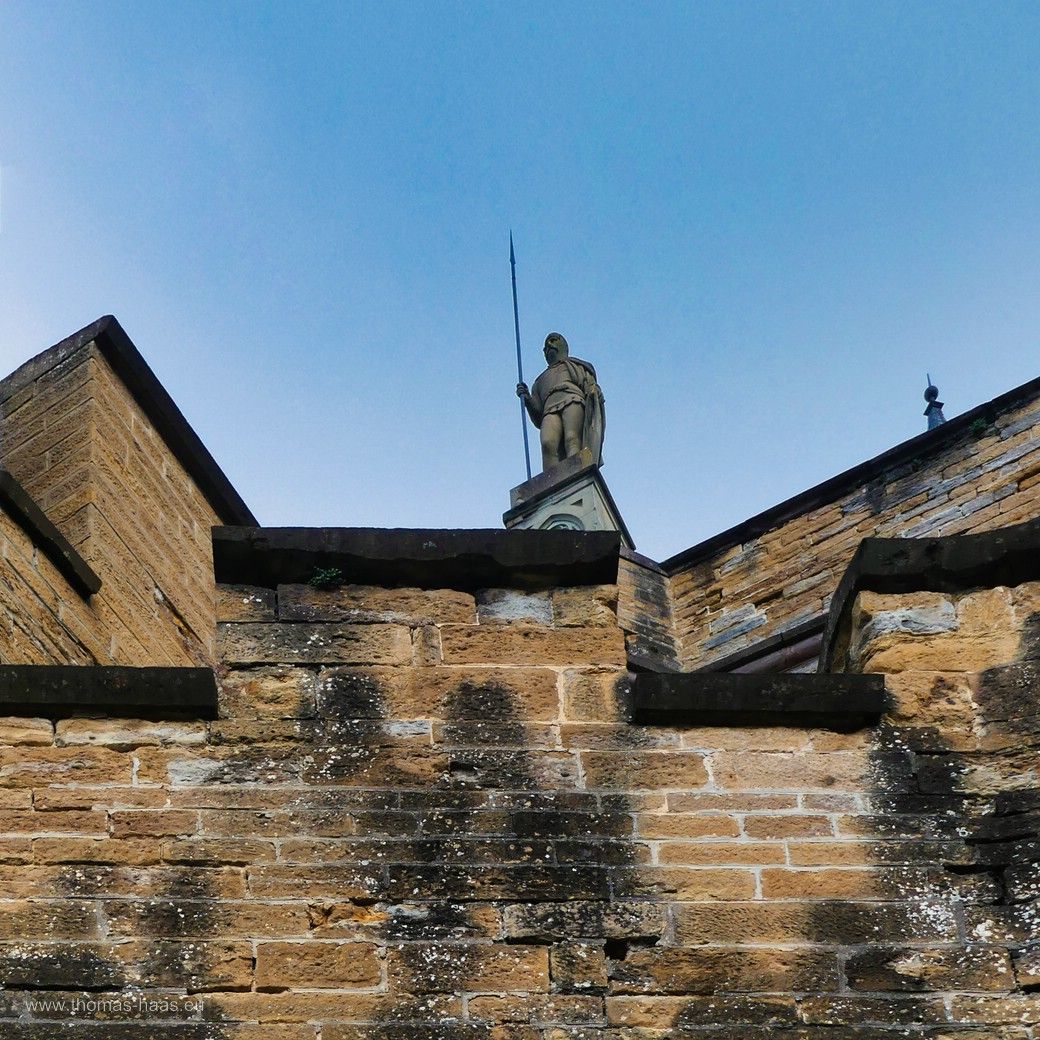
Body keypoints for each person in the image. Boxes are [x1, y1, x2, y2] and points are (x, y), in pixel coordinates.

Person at [516, 333, 605, 473]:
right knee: (547, 443)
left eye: (553, 340)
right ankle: (550, 479)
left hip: (572, 399)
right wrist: (527, 399)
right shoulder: (539, 381)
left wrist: (594, 392)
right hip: (549, 408)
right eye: (545, 346)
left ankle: (577, 473)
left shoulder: (575, 365)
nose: (549, 346)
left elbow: (589, 386)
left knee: (572, 438)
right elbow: (538, 415)